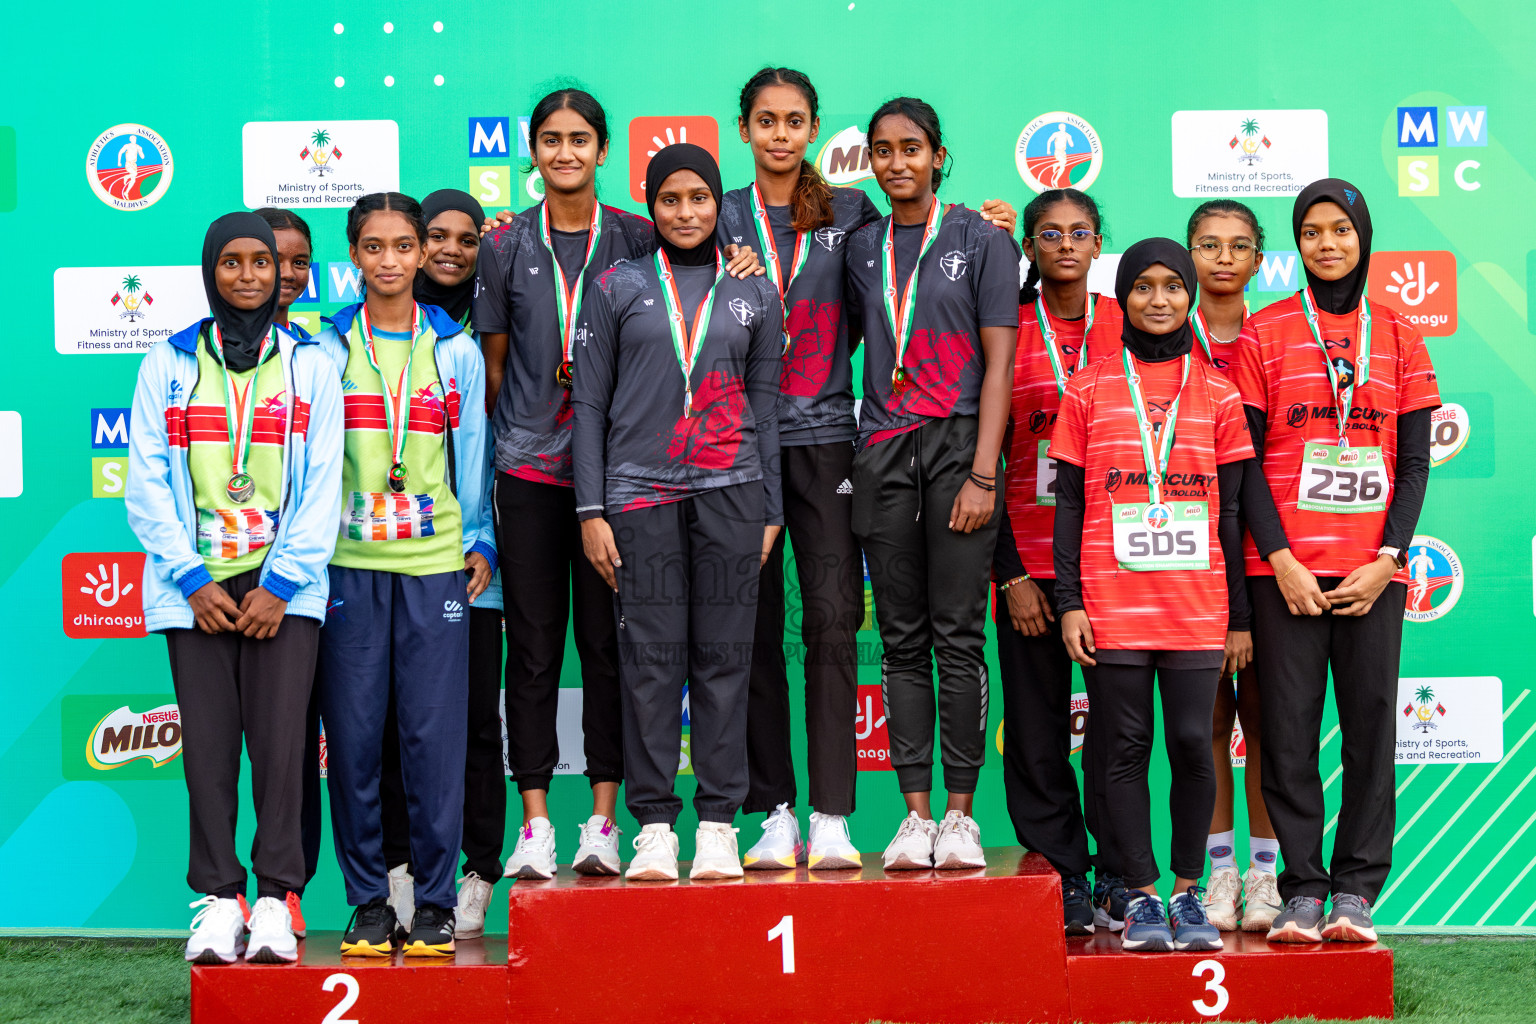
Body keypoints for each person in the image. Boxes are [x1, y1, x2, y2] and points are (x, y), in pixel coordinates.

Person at [476, 89, 762, 881]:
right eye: (550, 139)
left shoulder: (639, 235)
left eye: (580, 139)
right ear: (532, 150)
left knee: (617, 648)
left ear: (603, 151)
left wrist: (741, 258)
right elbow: (496, 370)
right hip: (537, 470)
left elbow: (703, 261)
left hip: (635, 482)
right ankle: (539, 826)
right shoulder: (504, 248)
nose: (565, 152)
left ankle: (609, 822)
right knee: (535, 650)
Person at [126, 213, 343, 964]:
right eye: (233, 262)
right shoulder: (168, 361)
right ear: (210, 271)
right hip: (196, 589)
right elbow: (145, 482)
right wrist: (189, 577)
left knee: (282, 750)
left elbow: (325, 485)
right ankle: (220, 900)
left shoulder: (313, 362)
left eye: (263, 262)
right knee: (209, 752)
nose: (250, 275)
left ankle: (280, 901)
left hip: (284, 588)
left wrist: (281, 582)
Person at [1232, 179, 1438, 944]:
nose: (1326, 244)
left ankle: (1355, 891)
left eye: (1340, 230)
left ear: (1363, 238)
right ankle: (1302, 890)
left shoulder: (1400, 335)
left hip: (1369, 574)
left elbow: (1414, 464)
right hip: (1282, 573)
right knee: (1285, 735)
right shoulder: (1265, 330)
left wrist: (1388, 559)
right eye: (1311, 231)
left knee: (1370, 731)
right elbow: (1245, 461)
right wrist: (1279, 559)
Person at [573, 143, 783, 882]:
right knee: (652, 666)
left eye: (699, 198)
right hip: (637, 495)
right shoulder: (617, 285)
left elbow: (766, 409)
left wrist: (771, 510)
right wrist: (591, 508)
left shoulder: (754, 291)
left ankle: (721, 823)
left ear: (717, 203)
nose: (686, 212)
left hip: (732, 492)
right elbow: (590, 403)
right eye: (670, 200)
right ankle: (656, 826)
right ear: (652, 206)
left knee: (726, 661)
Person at [1052, 238, 1254, 953]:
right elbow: (1070, 507)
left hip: (1198, 609)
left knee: (1197, 745)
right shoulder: (1087, 388)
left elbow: (1231, 516)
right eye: (1144, 287)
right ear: (1125, 296)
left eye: (1173, 285)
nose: (1160, 299)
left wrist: (1240, 616)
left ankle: (1190, 892)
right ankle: (1138, 898)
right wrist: (1071, 601)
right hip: (1112, 605)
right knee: (1124, 750)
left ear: (1189, 295)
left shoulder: (1221, 393)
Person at [315, 192, 495, 958]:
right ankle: (364, 900)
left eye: (403, 246)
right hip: (348, 569)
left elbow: (475, 452)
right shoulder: (322, 350)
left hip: (435, 569)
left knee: (432, 740)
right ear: (354, 255)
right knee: (354, 739)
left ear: (424, 256)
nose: (389, 260)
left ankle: (434, 901)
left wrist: (481, 535)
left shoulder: (452, 348)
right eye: (373, 246)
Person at [842, 97, 1020, 871]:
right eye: (883, 151)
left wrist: (984, 471)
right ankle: (914, 816)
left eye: (911, 148)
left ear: (939, 155)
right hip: (883, 450)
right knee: (902, 640)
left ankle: (960, 814)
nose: (897, 163)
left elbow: (1002, 363)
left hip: (957, 448)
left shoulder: (980, 238)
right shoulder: (858, 245)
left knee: (957, 638)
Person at [372, 188, 506, 941]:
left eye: (466, 237)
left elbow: (482, 448)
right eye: (436, 236)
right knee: (389, 727)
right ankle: (400, 879)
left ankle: (476, 875)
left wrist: (482, 539)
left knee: (473, 730)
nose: (450, 249)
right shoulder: (354, 335)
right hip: (381, 568)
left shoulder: (474, 331)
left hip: (467, 564)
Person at [991, 187, 1120, 931]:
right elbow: (984, 459)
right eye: (1049, 232)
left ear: (1099, 243)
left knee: (1114, 733)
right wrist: (1007, 572)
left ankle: (1116, 872)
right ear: (1031, 247)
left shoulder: (1131, 323)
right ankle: (1062, 876)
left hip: (1114, 567)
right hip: (1030, 567)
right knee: (1037, 731)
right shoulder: (1005, 326)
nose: (1065, 244)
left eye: (1080, 232)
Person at [1183, 199, 1285, 934]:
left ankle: (1267, 877)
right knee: (1206, 722)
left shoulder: (1282, 335)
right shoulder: (1155, 332)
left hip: (1268, 556)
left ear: (1259, 258)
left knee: (1270, 723)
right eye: (1209, 244)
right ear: (1188, 253)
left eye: (1239, 245)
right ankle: (1218, 874)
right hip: (1183, 557)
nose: (1223, 257)